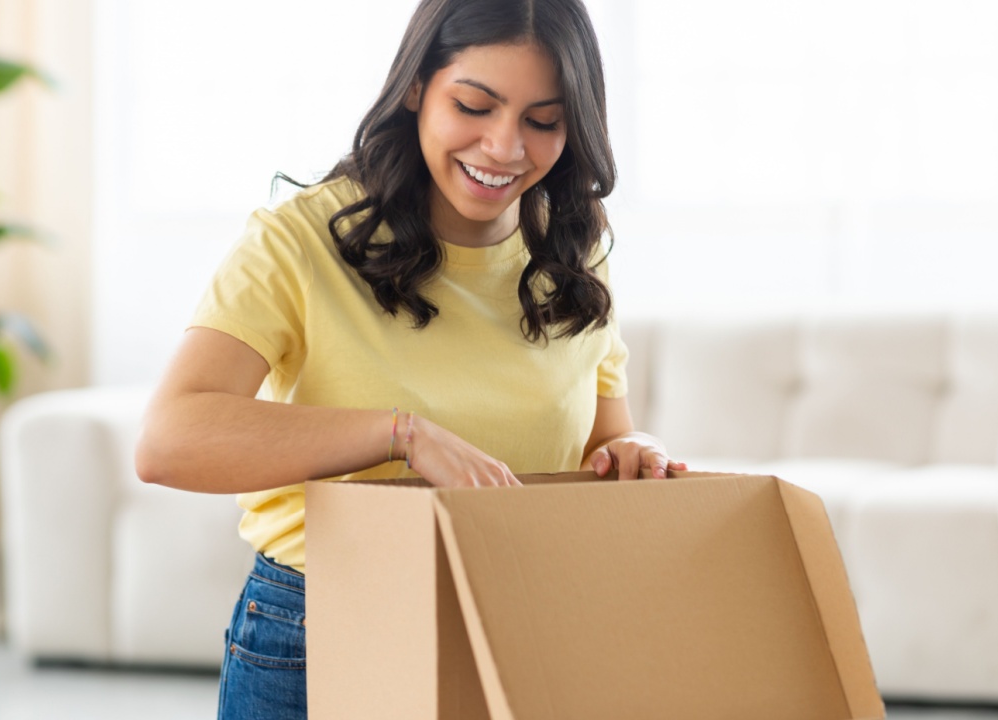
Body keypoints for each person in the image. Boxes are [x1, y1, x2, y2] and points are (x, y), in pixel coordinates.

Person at [135, 0, 685, 717]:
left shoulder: (572, 252)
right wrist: (401, 435)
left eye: (542, 121)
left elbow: (602, 442)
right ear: (418, 85)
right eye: (475, 105)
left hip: (515, 621)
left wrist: (634, 451)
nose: (504, 147)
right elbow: (169, 441)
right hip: (322, 628)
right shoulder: (300, 241)